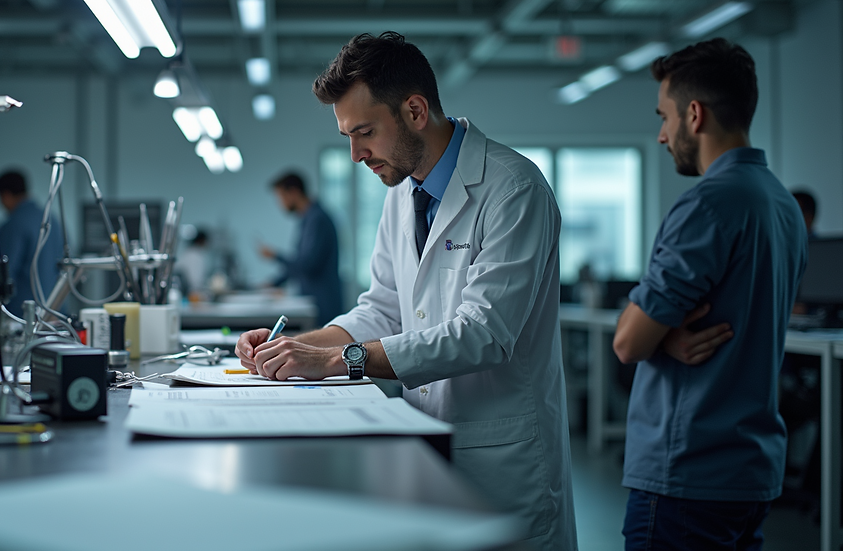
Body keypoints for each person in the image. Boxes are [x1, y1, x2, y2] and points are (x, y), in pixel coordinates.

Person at [235, 32, 576, 550]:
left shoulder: (514, 190)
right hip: (423, 443)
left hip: (502, 456)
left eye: (365, 132)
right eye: (348, 135)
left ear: (415, 110)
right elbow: (384, 307)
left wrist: (338, 361)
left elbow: (484, 333)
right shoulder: (402, 192)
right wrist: (294, 349)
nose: (354, 154)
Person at [612, 38, 808, 550]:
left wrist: (656, 333)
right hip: (751, 470)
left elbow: (629, 342)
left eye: (665, 117)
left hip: (687, 471)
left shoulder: (708, 203)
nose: (661, 135)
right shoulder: (782, 204)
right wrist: (669, 334)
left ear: (694, 115)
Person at [259, 172, 344, 327]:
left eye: (281, 197)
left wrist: (275, 255)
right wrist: (275, 283)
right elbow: (299, 263)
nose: (280, 203)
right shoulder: (308, 219)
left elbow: (307, 264)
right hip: (315, 300)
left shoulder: (317, 219)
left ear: (294, 192)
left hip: (322, 303)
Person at [0, 170, 65, 317]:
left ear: (6, 196)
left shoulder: (14, 225)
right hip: (56, 311)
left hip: (24, 315)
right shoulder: (52, 219)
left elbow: (5, 274)